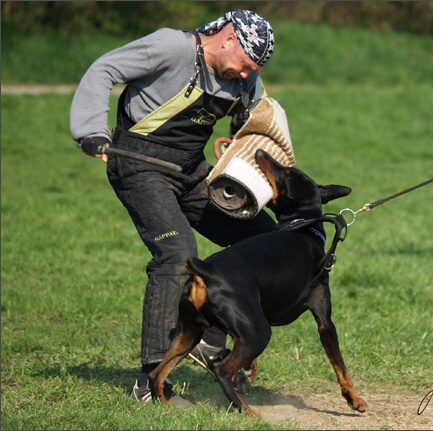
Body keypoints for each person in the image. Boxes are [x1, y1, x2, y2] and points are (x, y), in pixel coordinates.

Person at [70, 10, 277, 404]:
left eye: (252, 71)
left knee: (265, 238)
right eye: (243, 65)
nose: (244, 75)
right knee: (177, 253)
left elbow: (255, 122)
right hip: (137, 164)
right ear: (228, 38)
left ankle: (209, 335)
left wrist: (247, 157)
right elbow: (103, 69)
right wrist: (91, 131)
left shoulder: (246, 77)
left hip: (189, 169)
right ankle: (150, 380)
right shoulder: (172, 47)